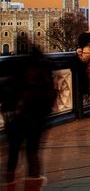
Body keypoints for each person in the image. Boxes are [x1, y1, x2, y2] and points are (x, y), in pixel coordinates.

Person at [1, 39, 56, 190]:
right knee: (32, 151)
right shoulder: (45, 68)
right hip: (38, 116)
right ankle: (32, 186)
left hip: (18, 115)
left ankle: (9, 186)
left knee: (13, 154)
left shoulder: (16, 67)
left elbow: (6, 91)